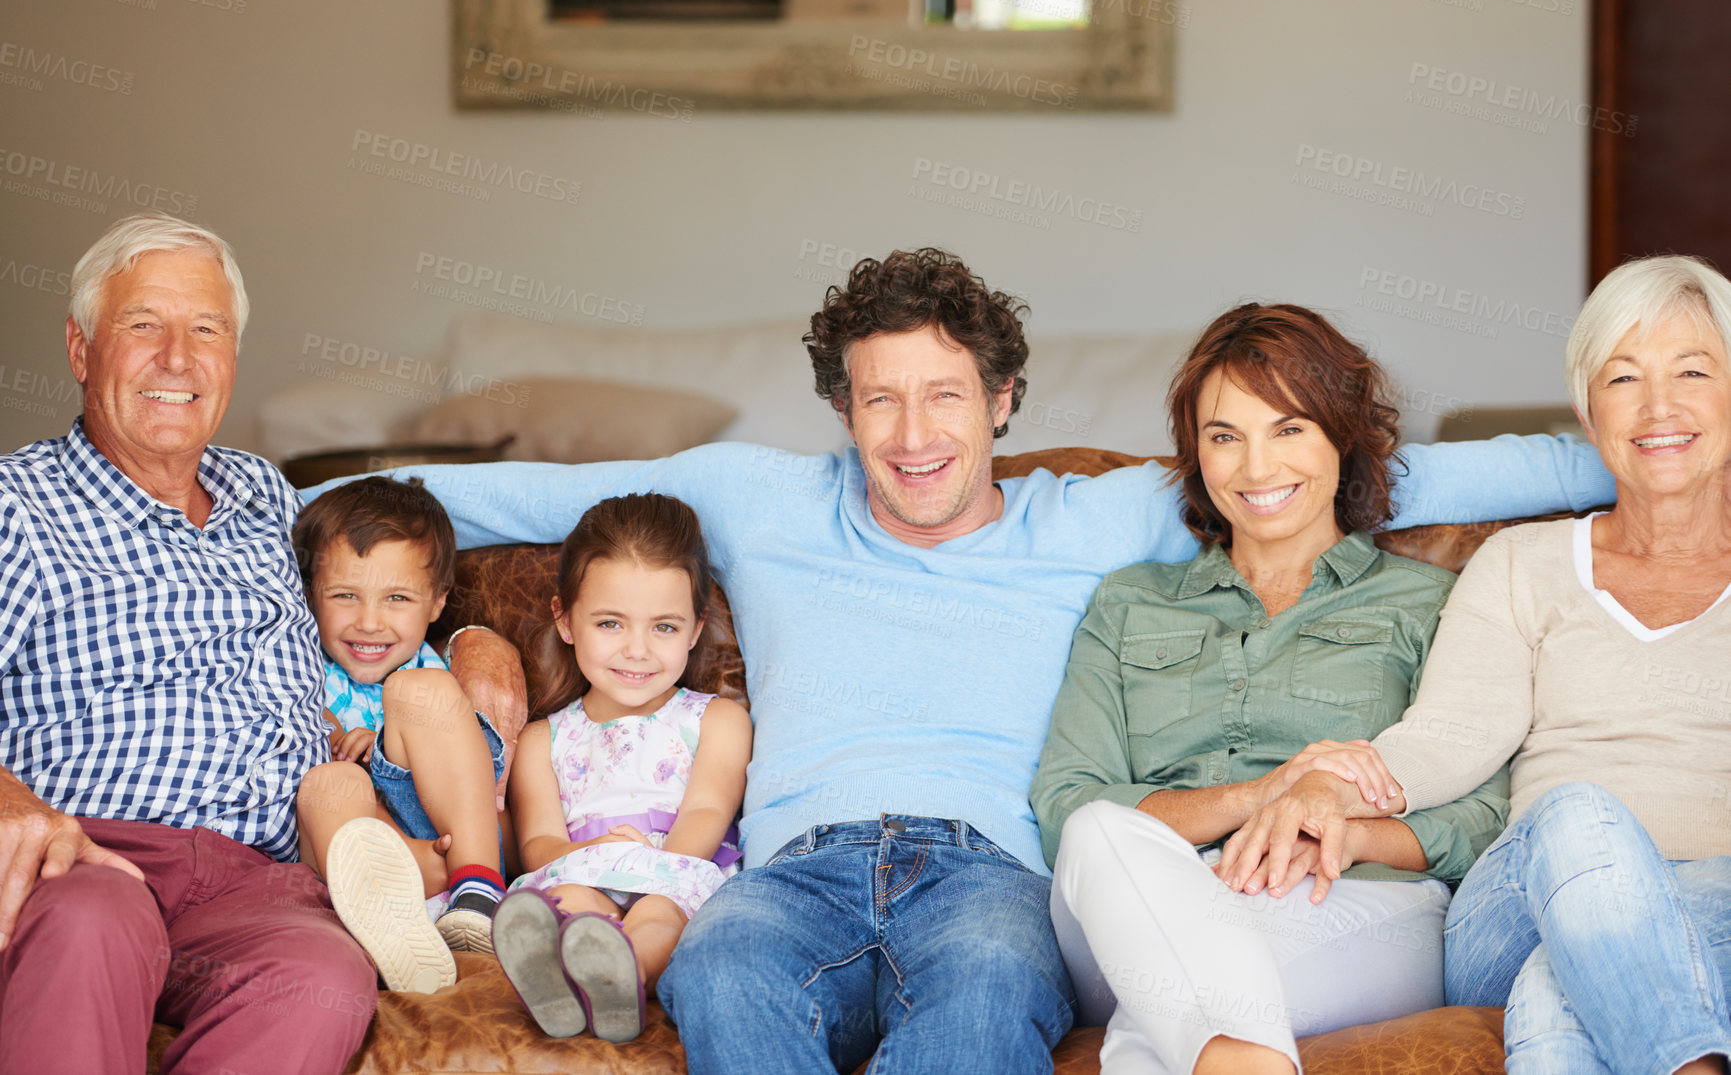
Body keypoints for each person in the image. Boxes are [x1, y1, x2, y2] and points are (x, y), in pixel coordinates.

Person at [307, 248, 1618, 1074]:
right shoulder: (759, 500)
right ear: (841, 410)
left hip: (990, 867)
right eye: (878, 396)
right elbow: (527, 490)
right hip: (798, 861)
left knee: (994, 985)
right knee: (718, 965)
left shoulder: (1095, 515)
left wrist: (1627, 452)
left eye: (944, 395)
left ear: (1000, 402)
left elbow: (1376, 469)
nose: (912, 431)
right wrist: (277, 507)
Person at [1219, 255, 1731, 1074]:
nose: (1657, 405)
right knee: (1576, 815)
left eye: (1692, 370)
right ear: (1586, 413)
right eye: (1623, 377)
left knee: (1556, 986)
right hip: (1520, 899)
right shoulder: (1521, 564)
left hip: (1715, 901)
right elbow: (1446, 735)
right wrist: (1327, 784)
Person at [1030, 303, 1509, 1075]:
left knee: (1161, 1021)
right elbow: (1064, 806)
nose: (1256, 469)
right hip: (1139, 899)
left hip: (1348, 900)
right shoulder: (1130, 601)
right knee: (1096, 828)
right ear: (1194, 452)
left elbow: (1484, 814)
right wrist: (1268, 795)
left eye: (1288, 428)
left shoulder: (1428, 599)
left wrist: (1339, 830)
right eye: (1224, 437)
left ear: (1341, 437)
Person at [0, 213, 375, 1074]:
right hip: (90, 852)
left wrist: (473, 637)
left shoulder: (270, 494)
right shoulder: (17, 505)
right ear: (79, 348)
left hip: (258, 880)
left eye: (206, 329)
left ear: (232, 357)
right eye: (143, 325)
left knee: (323, 974)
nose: (177, 357)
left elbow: (416, 532)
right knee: (91, 923)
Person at [491, 493, 750, 1044]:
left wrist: (654, 859)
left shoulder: (717, 720)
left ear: (696, 629)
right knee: (569, 905)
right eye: (610, 623)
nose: (637, 651)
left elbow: (708, 808)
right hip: (585, 869)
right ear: (565, 620)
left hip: (677, 865)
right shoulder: (543, 740)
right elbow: (538, 841)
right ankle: (564, 983)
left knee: (658, 913)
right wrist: (595, 856)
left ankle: (625, 972)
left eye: (664, 627)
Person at [291, 476, 509, 992]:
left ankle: (480, 891)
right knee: (328, 783)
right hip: (385, 855)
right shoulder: (297, 666)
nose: (369, 622)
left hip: (449, 825)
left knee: (419, 692)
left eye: (397, 598)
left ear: (437, 603)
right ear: (308, 597)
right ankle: (390, 927)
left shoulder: (435, 667)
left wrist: (379, 736)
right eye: (345, 595)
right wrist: (330, 735)